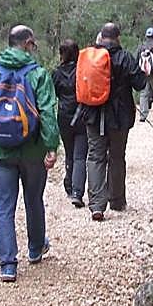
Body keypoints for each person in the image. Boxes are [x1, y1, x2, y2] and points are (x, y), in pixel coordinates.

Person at [0, 25, 59, 282]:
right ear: (28, 43)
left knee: (4, 207)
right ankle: (34, 249)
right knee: (34, 200)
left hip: (0, 151)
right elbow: (47, 113)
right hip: (33, 151)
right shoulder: (39, 74)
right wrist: (51, 146)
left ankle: (8, 265)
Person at [75, 22, 146, 221]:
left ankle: (97, 205)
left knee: (95, 156)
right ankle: (116, 200)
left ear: (100, 37)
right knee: (116, 157)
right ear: (118, 38)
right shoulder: (125, 58)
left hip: (93, 115)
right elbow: (140, 83)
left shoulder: (90, 57)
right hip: (119, 117)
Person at [51, 39, 87, 208]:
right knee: (80, 155)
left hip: (64, 115)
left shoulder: (56, 73)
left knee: (69, 152)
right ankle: (77, 192)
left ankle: (69, 184)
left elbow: (55, 94)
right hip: (82, 115)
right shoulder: (83, 70)